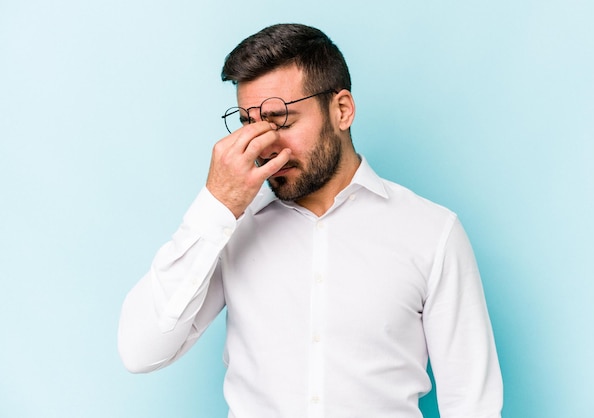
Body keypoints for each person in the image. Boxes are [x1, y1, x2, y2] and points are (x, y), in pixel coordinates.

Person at [118, 23, 503, 418]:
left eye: (280, 120)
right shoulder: (228, 230)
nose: (264, 145)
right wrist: (216, 205)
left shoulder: (431, 232)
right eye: (250, 123)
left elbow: (473, 405)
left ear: (342, 110)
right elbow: (141, 350)